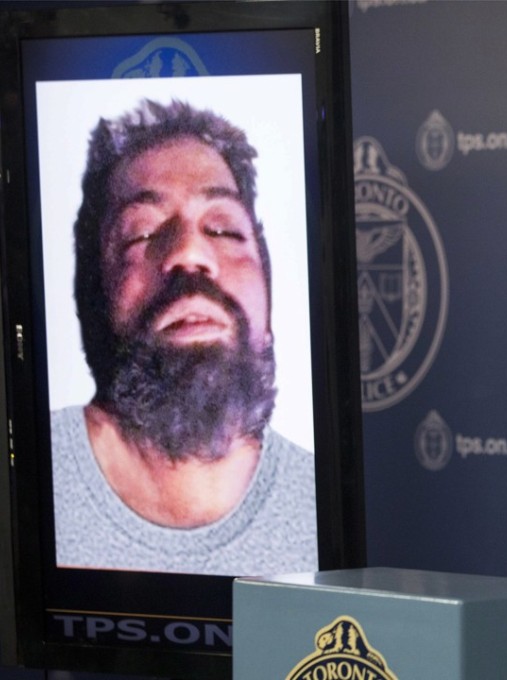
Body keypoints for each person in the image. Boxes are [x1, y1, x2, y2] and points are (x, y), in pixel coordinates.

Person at [51, 99, 318, 576]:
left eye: (223, 228)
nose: (190, 253)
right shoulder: (28, 483)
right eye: (142, 234)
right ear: (94, 289)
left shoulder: (330, 510)